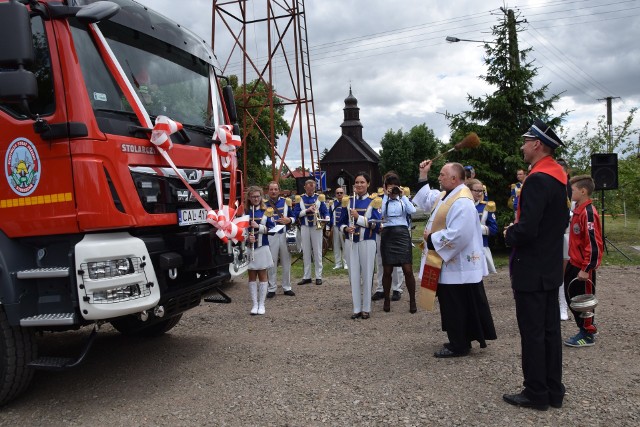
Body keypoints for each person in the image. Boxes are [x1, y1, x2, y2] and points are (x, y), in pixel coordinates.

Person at [503, 118, 569, 411]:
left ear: (537, 145)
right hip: (550, 265)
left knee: (533, 333)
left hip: (532, 268)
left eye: (525, 141)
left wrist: (508, 234)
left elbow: (528, 229)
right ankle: (554, 390)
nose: (522, 146)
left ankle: (536, 392)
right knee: (550, 332)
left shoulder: (537, 179)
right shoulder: (558, 178)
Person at [413, 161, 496, 358]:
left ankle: (459, 344)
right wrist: (423, 174)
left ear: (454, 178)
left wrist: (431, 239)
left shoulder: (462, 201)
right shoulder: (446, 195)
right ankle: (459, 339)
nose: (439, 178)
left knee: (457, 305)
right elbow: (425, 198)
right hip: (449, 264)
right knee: (452, 304)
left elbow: (459, 234)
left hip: (457, 266)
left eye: (442, 175)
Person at [563, 174, 604, 347]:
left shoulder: (588, 213)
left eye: (572, 190)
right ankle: (582, 328)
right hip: (574, 262)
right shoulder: (578, 210)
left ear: (583, 191)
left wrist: (586, 268)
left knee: (584, 300)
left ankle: (588, 333)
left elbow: (593, 244)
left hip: (583, 266)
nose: (570, 192)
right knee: (571, 296)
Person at [339, 172, 381, 319]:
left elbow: (377, 225)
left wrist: (359, 219)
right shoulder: (349, 201)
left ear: (368, 184)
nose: (359, 185)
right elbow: (340, 222)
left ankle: (366, 308)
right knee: (353, 275)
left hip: (367, 242)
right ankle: (356, 308)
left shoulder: (374, 201)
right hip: (351, 242)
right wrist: (345, 229)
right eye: (357, 182)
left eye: (362, 182)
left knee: (368, 274)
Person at [379, 174, 417, 313]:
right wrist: (385, 195)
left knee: (408, 269)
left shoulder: (402, 200)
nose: (393, 189)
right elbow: (380, 213)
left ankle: (412, 300)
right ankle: (387, 299)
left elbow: (412, 210)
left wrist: (403, 195)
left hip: (402, 234)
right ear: (385, 187)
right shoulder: (383, 200)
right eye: (390, 186)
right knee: (387, 270)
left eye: (395, 186)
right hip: (388, 234)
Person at [245, 186, 275, 315]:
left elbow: (272, 230)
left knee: (263, 275)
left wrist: (259, 227)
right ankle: (254, 304)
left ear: (261, 197)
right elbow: (240, 231)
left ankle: (262, 305)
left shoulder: (266, 211)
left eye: (258, 196)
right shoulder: (245, 212)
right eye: (253, 197)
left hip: (262, 247)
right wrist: (247, 239)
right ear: (249, 198)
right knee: (251, 276)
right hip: (249, 248)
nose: (256, 199)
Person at [293, 179, 329, 285]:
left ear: (315, 187)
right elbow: (296, 214)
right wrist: (307, 211)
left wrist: (327, 217)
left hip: (316, 227)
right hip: (304, 226)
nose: (311, 188)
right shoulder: (300, 199)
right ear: (305, 187)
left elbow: (325, 211)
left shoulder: (319, 198)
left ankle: (318, 276)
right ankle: (307, 276)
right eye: (309, 186)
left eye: (312, 186)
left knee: (318, 251)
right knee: (306, 251)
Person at [372, 185, 404, 303]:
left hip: (395, 234)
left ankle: (396, 288)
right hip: (381, 233)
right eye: (388, 184)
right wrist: (377, 226)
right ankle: (381, 288)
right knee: (380, 260)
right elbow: (374, 215)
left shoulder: (400, 198)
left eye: (393, 184)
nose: (390, 187)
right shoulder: (377, 199)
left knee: (396, 262)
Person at [265, 181, 296, 298]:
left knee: (286, 261)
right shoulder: (264, 204)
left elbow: (294, 216)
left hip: (284, 234)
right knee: (271, 262)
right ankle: (272, 288)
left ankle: (287, 287)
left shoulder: (286, 202)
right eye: (271, 189)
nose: (273, 191)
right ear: (268, 191)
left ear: (279, 190)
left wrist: (289, 220)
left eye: (275, 189)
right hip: (271, 236)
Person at [467, 178, 497, 274]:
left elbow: (494, 229)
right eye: (476, 191)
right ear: (468, 190)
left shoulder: (486, 206)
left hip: (481, 247)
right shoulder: (461, 205)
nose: (480, 193)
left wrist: (477, 228)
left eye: (481, 191)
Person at [557, 159, 572, 321]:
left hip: (567, 235)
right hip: (554, 235)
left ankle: (563, 305)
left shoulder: (572, 189)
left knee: (564, 272)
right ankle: (557, 304)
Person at [330, 187, 348, 270]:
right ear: (335, 194)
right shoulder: (332, 203)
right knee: (336, 245)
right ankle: (338, 263)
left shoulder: (347, 202)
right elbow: (330, 215)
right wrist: (328, 227)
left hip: (344, 227)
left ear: (344, 193)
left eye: (341, 193)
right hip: (335, 226)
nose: (339, 194)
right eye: (338, 193)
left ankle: (346, 263)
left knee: (345, 245)